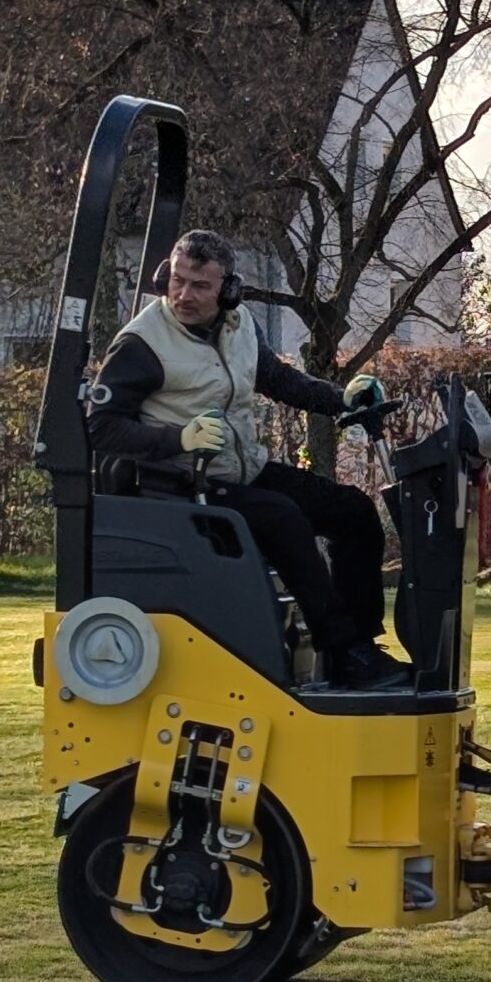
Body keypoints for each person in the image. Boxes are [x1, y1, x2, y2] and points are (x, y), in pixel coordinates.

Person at [86, 227, 406, 687]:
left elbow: (280, 381)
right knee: (283, 518)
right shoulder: (142, 343)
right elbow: (100, 426)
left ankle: (356, 647)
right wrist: (180, 439)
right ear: (164, 277)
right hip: (178, 482)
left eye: (200, 286)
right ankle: (342, 647)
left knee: (352, 511)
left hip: (241, 471)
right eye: (177, 281)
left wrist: (344, 400)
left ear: (229, 289)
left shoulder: (240, 328)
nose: (184, 295)